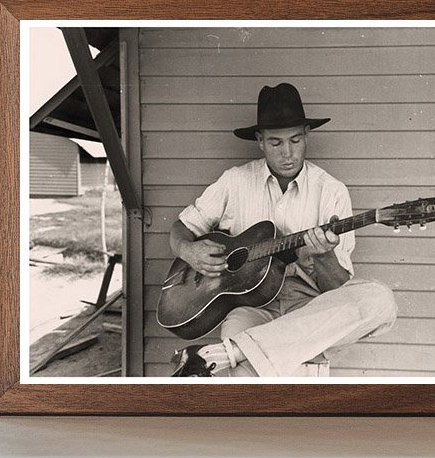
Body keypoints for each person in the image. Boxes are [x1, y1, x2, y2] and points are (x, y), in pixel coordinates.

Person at [168, 82, 397, 377]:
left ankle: (226, 354)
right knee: (255, 382)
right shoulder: (234, 182)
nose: (287, 153)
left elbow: (338, 290)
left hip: (310, 308)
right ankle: (245, 351)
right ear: (260, 141)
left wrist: (324, 257)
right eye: (276, 143)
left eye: (296, 140)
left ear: (307, 135)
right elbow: (181, 228)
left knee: (380, 301)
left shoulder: (331, 191)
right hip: (249, 308)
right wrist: (189, 250)